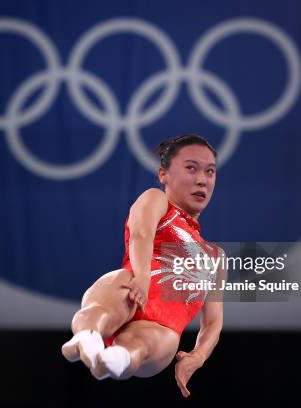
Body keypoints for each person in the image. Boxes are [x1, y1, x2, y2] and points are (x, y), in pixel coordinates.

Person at [61, 133, 226, 398]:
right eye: (191, 168)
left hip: (162, 328)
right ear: (164, 174)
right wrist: (142, 277)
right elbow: (141, 234)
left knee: (147, 343)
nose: (202, 180)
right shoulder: (156, 200)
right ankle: (87, 336)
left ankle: (116, 359)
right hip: (132, 291)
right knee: (120, 285)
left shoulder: (215, 257)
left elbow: (213, 323)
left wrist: (197, 356)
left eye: (210, 171)